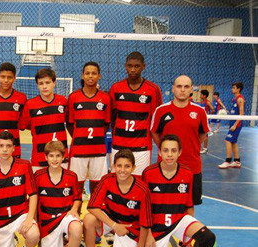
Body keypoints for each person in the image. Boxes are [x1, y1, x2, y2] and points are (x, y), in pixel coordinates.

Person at [142, 134, 215, 247]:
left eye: (173, 151)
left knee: (207, 238)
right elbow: (144, 208)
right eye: (166, 150)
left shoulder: (187, 173)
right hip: (156, 225)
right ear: (160, 152)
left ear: (180, 152)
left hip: (178, 220)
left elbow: (189, 205)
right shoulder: (149, 173)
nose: (169, 154)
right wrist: (147, 234)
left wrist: (189, 236)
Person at [79, 149, 152, 247]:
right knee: (88, 219)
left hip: (129, 227)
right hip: (112, 222)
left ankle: (129, 246)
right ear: (113, 166)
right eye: (119, 165)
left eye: (127, 166)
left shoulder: (142, 189)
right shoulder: (107, 180)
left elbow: (145, 222)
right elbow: (92, 206)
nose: (122, 170)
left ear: (134, 168)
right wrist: (114, 225)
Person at [151, 75, 209, 209]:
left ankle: (187, 230)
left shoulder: (199, 111)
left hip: (192, 167)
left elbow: (203, 133)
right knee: (162, 204)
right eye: (179, 86)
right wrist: (163, 148)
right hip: (166, 167)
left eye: (186, 86)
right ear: (173, 89)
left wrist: (192, 147)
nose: (182, 90)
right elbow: (154, 132)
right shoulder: (161, 110)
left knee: (189, 206)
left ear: (191, 90)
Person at [34, 140, 83, 247]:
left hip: (65, 215)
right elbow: (34, 200)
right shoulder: (38, 176)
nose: (54, 159)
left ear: (63, 157)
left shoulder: (71, 176)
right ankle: (73, 244)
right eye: (51, 156)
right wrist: (35, 222)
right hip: (48, 220)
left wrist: (74, 209)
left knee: (76, 227)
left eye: (57, 156)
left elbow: (78, 198)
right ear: (45, 157)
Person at [109, 52, 162, 175]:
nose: (133, 70)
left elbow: (157, 119)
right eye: (130, 66)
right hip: (119, 145)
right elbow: (112, 117)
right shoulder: (116, 88)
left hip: (142, 147)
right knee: (116, 180)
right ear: (125, 66)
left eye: (137, 66)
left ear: (143, 66)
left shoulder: (153, 90)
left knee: (139, 182)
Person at [67, 61, 111, 197]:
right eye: (87, 73)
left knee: (97, 186)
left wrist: (95, 137)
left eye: (94, 73)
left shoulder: (105, 98)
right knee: (76, 187)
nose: (90, 76)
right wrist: (80, 136)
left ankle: (96, 216)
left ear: (99, 76)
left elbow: (106, 123)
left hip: (98, 150)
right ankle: (75, 216)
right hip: (78, 150)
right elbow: (69, 123)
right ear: (82, 76)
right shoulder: (73, 97)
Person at [19, 68, 69, 172]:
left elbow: (70, 121)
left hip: (61, 155)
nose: (44, 86)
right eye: (41, 83)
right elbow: (22, 125)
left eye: (47, 82)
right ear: (37, 85)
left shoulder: (63, 101)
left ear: (54, 83)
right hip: (39, 156)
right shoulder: (30, 104)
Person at [218, 82, 245, 169]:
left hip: (236, 124)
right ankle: (237, 161)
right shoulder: (234, 99)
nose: (232, 89)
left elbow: (241, 114)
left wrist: (235, 125)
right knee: (233, 142)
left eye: (233, 88)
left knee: (227, 140)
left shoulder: (240, 99)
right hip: (232, 123)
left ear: (238, 89)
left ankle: (228, 161)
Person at [199, 89, 215, 154]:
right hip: (199, 120)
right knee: (198, 134)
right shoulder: (201, 102)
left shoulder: (207, 102)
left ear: (204, 96)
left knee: (205, 134)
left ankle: (205, 148)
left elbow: (213, 110)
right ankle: (199, 148)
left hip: (205, 120)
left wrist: (208, 116)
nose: (200, 95)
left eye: (201, 94)